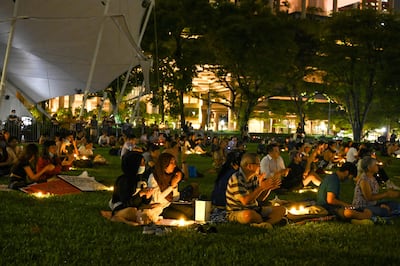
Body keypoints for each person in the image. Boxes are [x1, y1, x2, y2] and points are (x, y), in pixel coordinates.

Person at [225, 152, 286, 227]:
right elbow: (245, 201)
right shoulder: (237, 178)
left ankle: (263, 223)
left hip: (255, 209)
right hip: (238, 211)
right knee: (249, 215)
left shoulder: (254, 177)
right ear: (249, 166)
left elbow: (260, 198)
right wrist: (261, 188)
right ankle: (267, 222)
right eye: (258, 164)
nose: (259, 167)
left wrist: (268, 188)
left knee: (282, 209)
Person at [103, 151, 155, 226]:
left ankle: (129, 219)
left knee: (153, 210)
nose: (143, 165)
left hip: (137, 207)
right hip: (123, 206)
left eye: (144, 163)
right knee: (132, 211)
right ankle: (118, 216)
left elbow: (144, 201)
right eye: (141, 163)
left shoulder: (141, 179)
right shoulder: (124, 180)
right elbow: (126, 203)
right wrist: (140, 194)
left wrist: (148, 196)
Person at [145, 152, 192, 222]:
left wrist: (175, 185)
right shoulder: (154, 177)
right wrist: (171, 187)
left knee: (190, 211)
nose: (174, 165)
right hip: (159, 208)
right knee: (182, 217)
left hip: (170, 204)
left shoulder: (171, 176)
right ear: (165, 165)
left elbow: (176, 198)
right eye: (171, 163)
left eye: (174, 162)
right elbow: (156, 199)